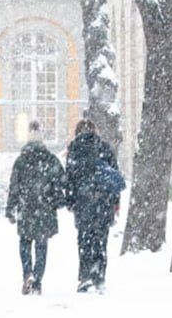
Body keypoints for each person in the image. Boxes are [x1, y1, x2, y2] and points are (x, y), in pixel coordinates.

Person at [6, 120, 66, 295]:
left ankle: (27, 274)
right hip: (45, 206)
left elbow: (14, 186)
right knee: (41, 244)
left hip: (26, 206)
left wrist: (11, 208)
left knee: (25, 241)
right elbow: (63, 180)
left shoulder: (21, 160)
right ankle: (37, 281)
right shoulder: (51, 159)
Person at [66, 119, 120, 294]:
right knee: (101, 240)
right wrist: (115, 201)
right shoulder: (105, 148)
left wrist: (70, 200)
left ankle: (85, 275)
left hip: (83, 202)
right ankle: (99, 275)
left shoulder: (74, 149)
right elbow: (114, 177)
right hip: (103, 202)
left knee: (84, 239)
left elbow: (69, 178)